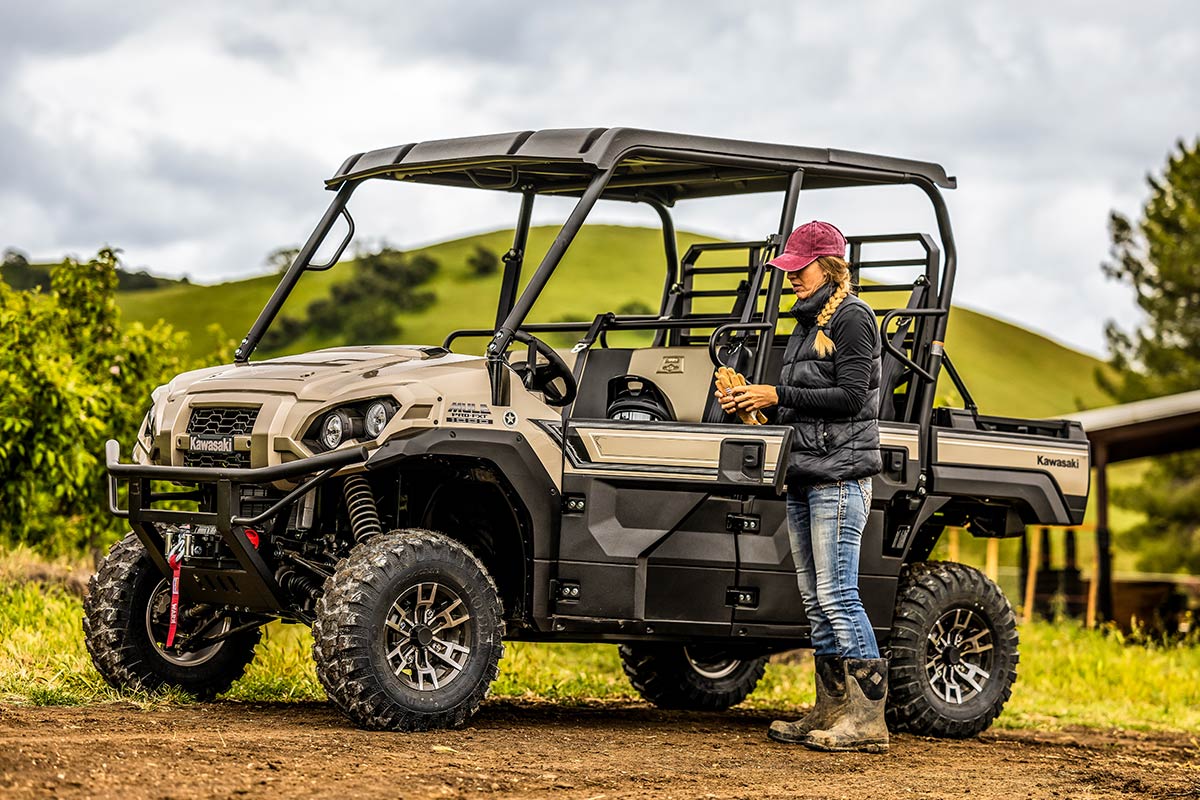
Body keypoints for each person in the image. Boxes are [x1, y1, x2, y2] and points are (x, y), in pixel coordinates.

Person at [714, 220, 887, 754]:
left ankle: (868, 721)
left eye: (798, 269)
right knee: (816, 600)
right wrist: (756, 401)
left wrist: (775, 391)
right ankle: (832, 710)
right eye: (788, 269)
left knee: (838, 595)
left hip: (839, 477)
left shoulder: (854, 318)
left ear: (829, 268)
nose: (790, 278)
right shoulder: (807, 324)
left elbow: (853, 398)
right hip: (807, 473)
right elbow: (803, 400)